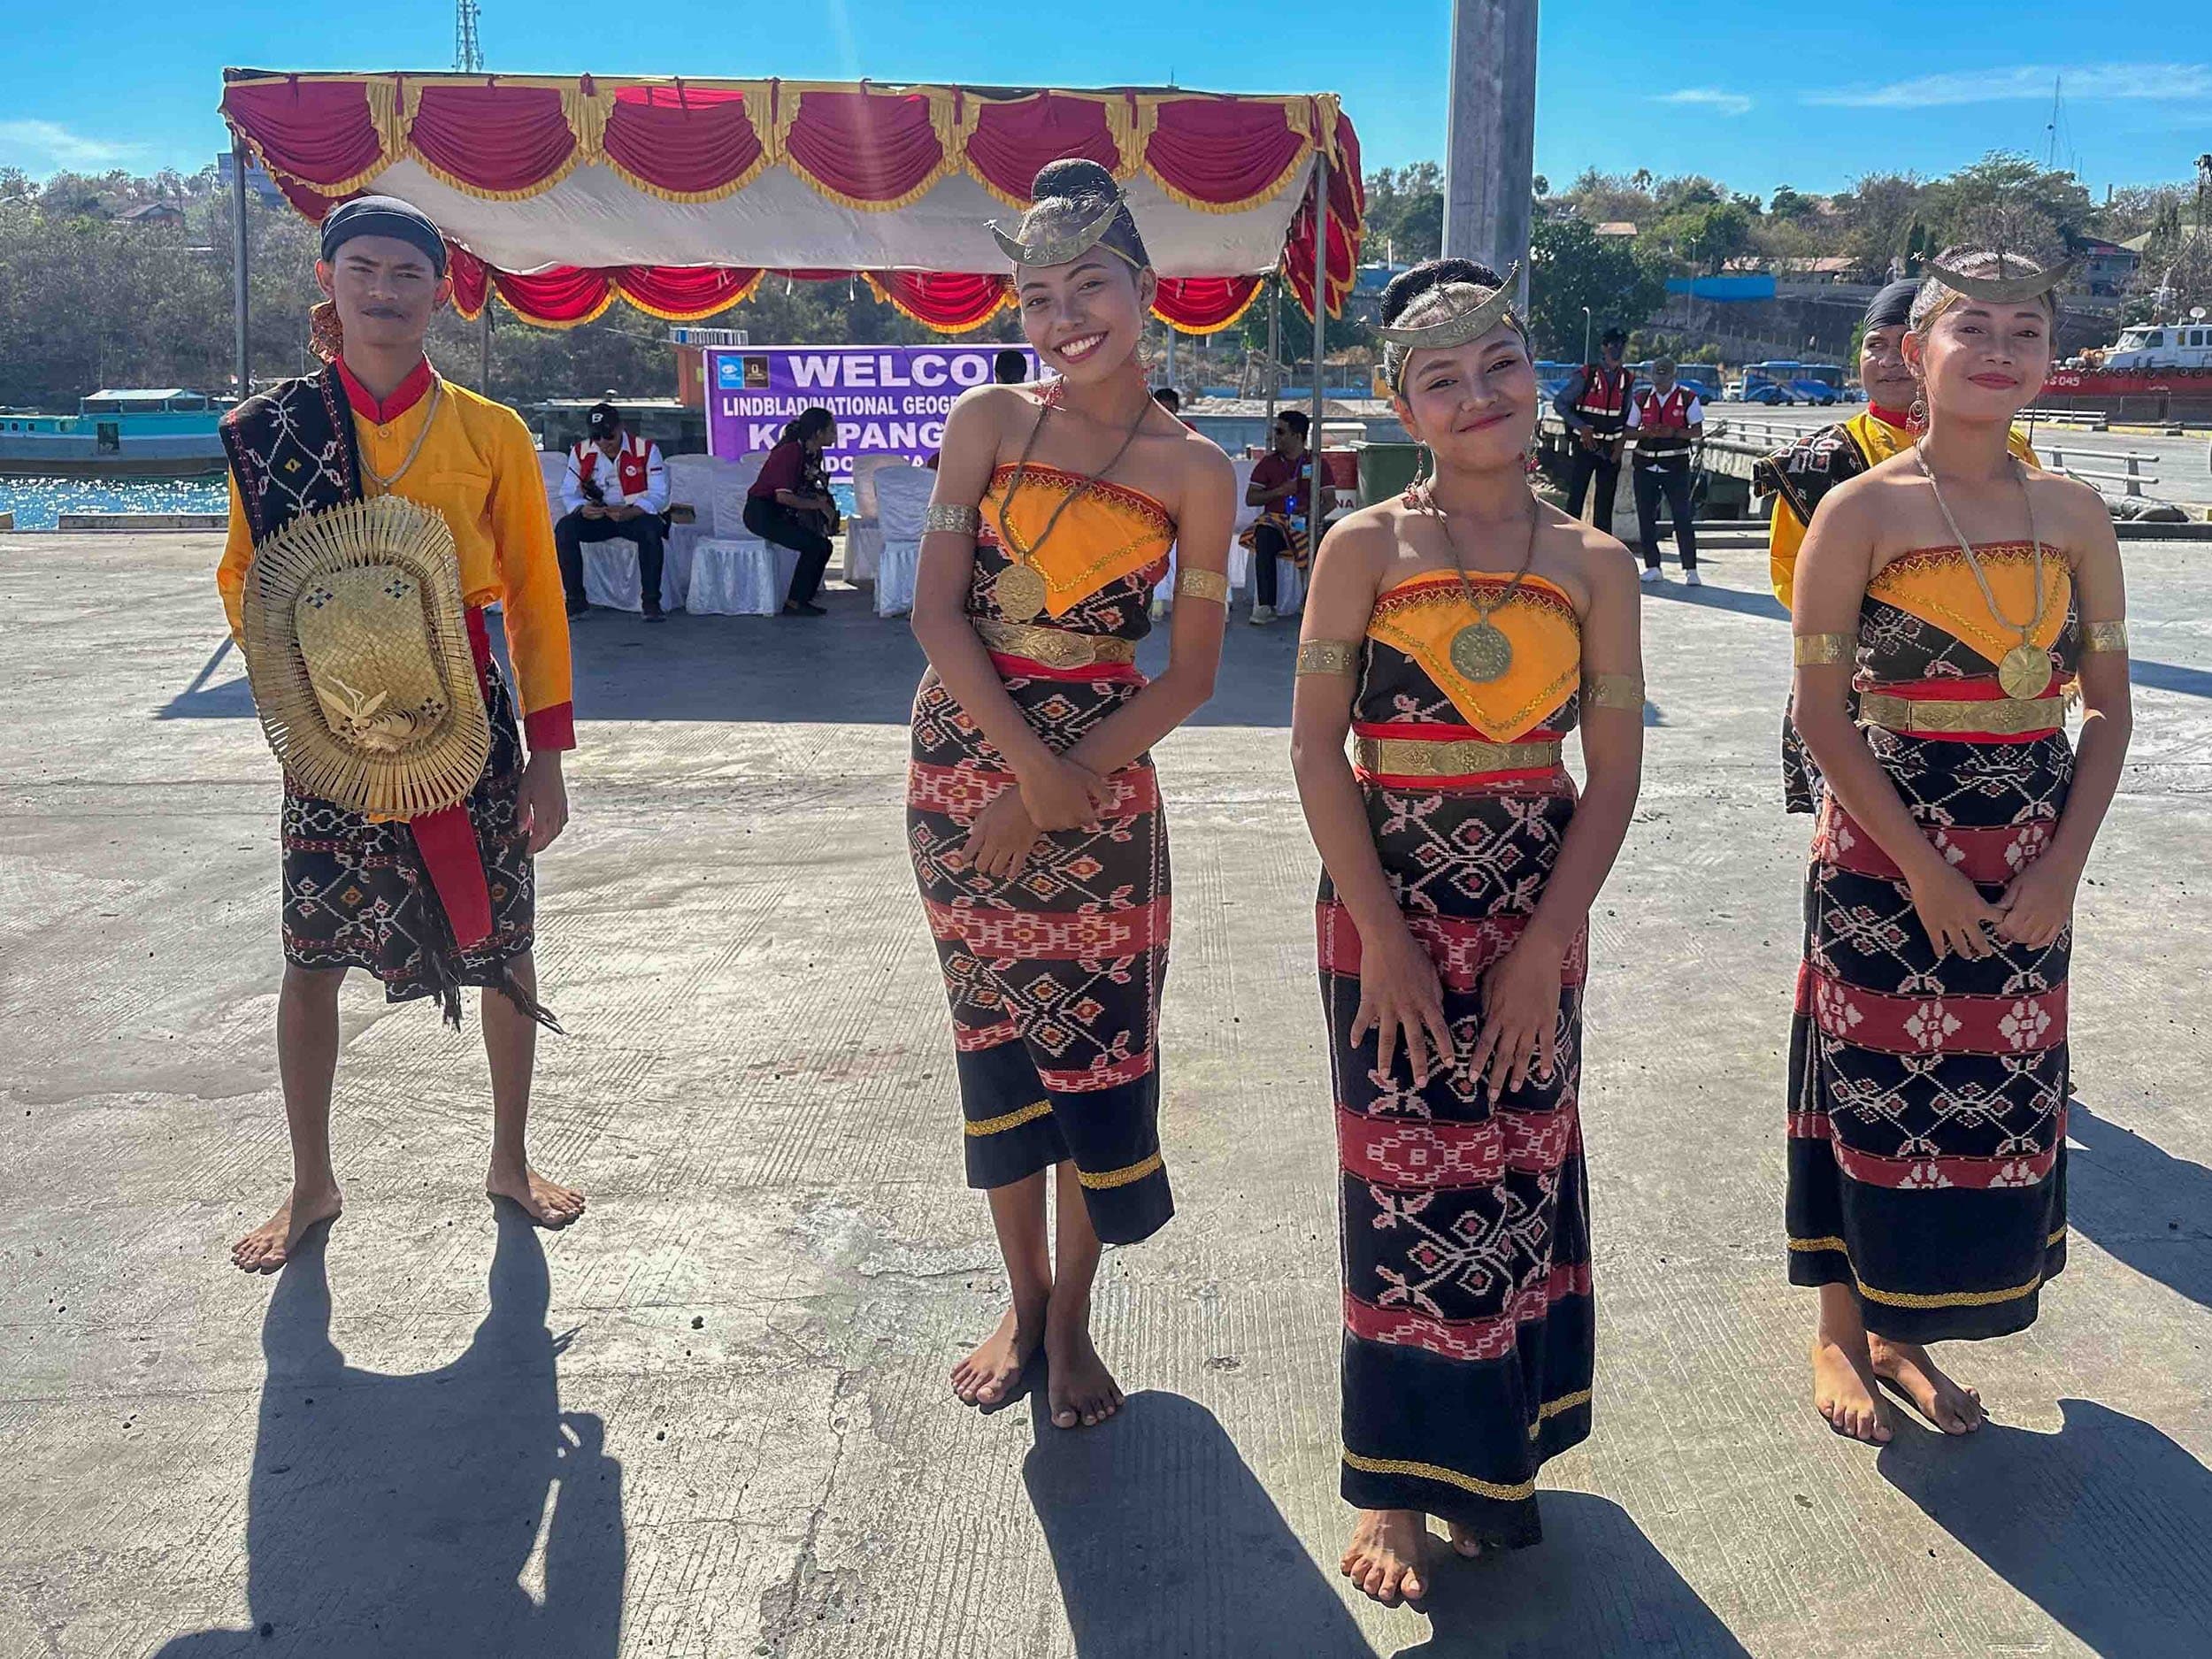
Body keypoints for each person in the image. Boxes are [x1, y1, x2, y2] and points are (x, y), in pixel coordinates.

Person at [1292, 259, 1644, 1599]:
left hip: (1534, 910)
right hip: (1383, 908)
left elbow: (1607, 774)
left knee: (1514, 1167)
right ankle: (1391, 1486)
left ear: (1534, 372)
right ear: (1401, 405)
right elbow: (1322, 756)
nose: (1479, 392)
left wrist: (1547, 945)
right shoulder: (1364, 546)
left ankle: (1495, 1452)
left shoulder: (1595, 561)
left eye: (1499, 363)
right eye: (1441, 377)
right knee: (1396, 1184)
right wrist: (1381, 934)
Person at [907, 157, 1234, 1433]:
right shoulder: (987, 421)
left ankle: (1076, 1313)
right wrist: (1017, 768)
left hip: (1105, 781)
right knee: (993, 1033)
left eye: (1086, 283)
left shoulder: (1200, 469)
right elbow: (938, 610)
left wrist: (1063, 777)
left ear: (1146, 290)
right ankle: (1019, 1294)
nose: (1059, 315)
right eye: (1034, 294)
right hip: (958, 755)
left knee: (1098, 1043)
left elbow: (1192, 672)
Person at [1786, 245, 2131, 1445]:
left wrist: (2061, 867)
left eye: (2026, 329)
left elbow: (2108, 709)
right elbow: (1824, 715)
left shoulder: (2076, 510)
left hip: (2033, 849)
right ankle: (1841, 1327)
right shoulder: (1860, 508)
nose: (1999, 349)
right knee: (1866, 1092)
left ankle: (1906, 1329)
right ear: (1915, 351)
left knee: (1986, 1101)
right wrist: (1923, 866)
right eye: (1970, 325)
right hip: (1888, 857)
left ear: (2052, 356)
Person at [216, 195, 585, 1272]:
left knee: (505, 946)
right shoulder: (275, 431)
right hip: (330, 733)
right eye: (363, 270)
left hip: (468, 718)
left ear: (440, 291)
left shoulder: (489, 430)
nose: (384, 292)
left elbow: (534, 596)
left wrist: (549, 757)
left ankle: (509, 1159)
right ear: (328, 281)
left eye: (406, 275)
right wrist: (303, 688)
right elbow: (243, 575)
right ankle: (310, 1181)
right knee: (313, 953)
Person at [1757, 280, 2039, 812]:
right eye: (1872, 345)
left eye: (1901, 343)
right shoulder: (1819, 461)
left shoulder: (2012, 449)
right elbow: (1790, 578)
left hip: (1993, 682)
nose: (1886, 361)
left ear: (1927, 351)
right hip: (1861, 688)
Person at [556, 401, 671, 622]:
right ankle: (576, 601)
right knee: (565, 529)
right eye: (597, 437)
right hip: (599, 516)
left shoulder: (646, 449)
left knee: (652, 529)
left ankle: (651, 603)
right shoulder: (581, 451)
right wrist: (582, 509)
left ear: (621, 428)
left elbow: (660, 494)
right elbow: (568, 492)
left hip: (633, 515)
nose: (603, 443)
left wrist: (634, 511)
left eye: (609, 436)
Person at [1241, 409, 1335, 625]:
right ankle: (1266, 605)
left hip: (1305, 522)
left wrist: (1314, 516)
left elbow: (1330, 501)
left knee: (1330, 540)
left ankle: (1313, 602)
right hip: (1275, 521)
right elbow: (1251, 498)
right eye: (1276, 431)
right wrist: (1278, 492)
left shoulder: (1316, 463)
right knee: (1263, 535)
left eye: (1281, 431)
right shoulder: (1269, 463)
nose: (1276, 436)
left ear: (1298, 436)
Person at [743, 407, 839, 616]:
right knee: (813, 546)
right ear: (818, 433)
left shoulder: (813, 452)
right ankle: (795, 602)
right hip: (763, 513)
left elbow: (807, 485)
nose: (835, 434)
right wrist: (820, 506)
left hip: (782, 511)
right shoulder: (790, 452)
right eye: (831, 430)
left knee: (823, 545)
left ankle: (803, 597)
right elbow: (783, 496)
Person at [1624, 354, 1703, 585]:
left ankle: (1690, 568)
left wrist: (1674, 432)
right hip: (1645, 465)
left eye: (1664, 380)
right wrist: (1646, 432)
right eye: (1656, 380)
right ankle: (1653, 566)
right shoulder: (1641, 398)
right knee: (1646, 517)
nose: (1659, 386)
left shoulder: (1687, 398)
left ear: (1673, 377)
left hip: (1676, 465)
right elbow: (1629, 431)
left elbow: (1697, 430)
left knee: (1682, 517)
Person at [1553, 327, 1633, 533]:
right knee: (1576, 498)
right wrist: (1581, 427)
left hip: (1611, 448)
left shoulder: (1627, 379)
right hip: (1586, 445)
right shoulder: (1587, 375)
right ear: (1604, 347)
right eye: (1613, 345)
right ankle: (1569, 542)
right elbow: (1560, 403)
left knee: (1605, 503)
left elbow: (1627, 415)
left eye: (1621, 345)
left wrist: (1621, 444)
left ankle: (1601, 548)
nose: (1617, 350)